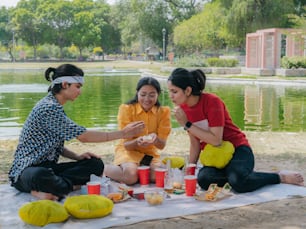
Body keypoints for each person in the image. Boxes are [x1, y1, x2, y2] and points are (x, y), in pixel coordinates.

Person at [8, 64, 145, 200]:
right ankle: (64, 187)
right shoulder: (48, 108)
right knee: (41, 175)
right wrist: (123, 133)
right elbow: (83, 136)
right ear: (65, 84)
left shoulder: (56, 106)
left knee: (95, 164)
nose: (79, 92)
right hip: (26, 171)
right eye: (78, 87)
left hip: (49, 168)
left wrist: (77, 157)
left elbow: (56, 146)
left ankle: (58, 187)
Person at [167, 68, 304, 193]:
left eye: (174, 91)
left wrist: (187, 124)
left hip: (239, 149)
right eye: (170, 92)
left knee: (238, 181)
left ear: (188, 91)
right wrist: (190, 169)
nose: (171, 96)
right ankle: (243, 175)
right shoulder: (184, 110)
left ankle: (279, 177)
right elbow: (195, 143)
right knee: (203, 179)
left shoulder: (212, 102)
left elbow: (216, 140)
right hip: (217, 157)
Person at [104, 77, 171, 185]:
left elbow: (161, 145)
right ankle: (104, 169)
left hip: (149, 154)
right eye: (143, 94)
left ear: (158, 94)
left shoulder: (163, 112)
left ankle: (137, 172)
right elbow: (126, 145)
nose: (147, 99)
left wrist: (155, 140)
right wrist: (137, 141)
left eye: (152, 95)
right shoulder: (126, 109)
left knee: (160, 176)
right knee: (131, 176)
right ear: (137, 93)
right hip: (128, 151)